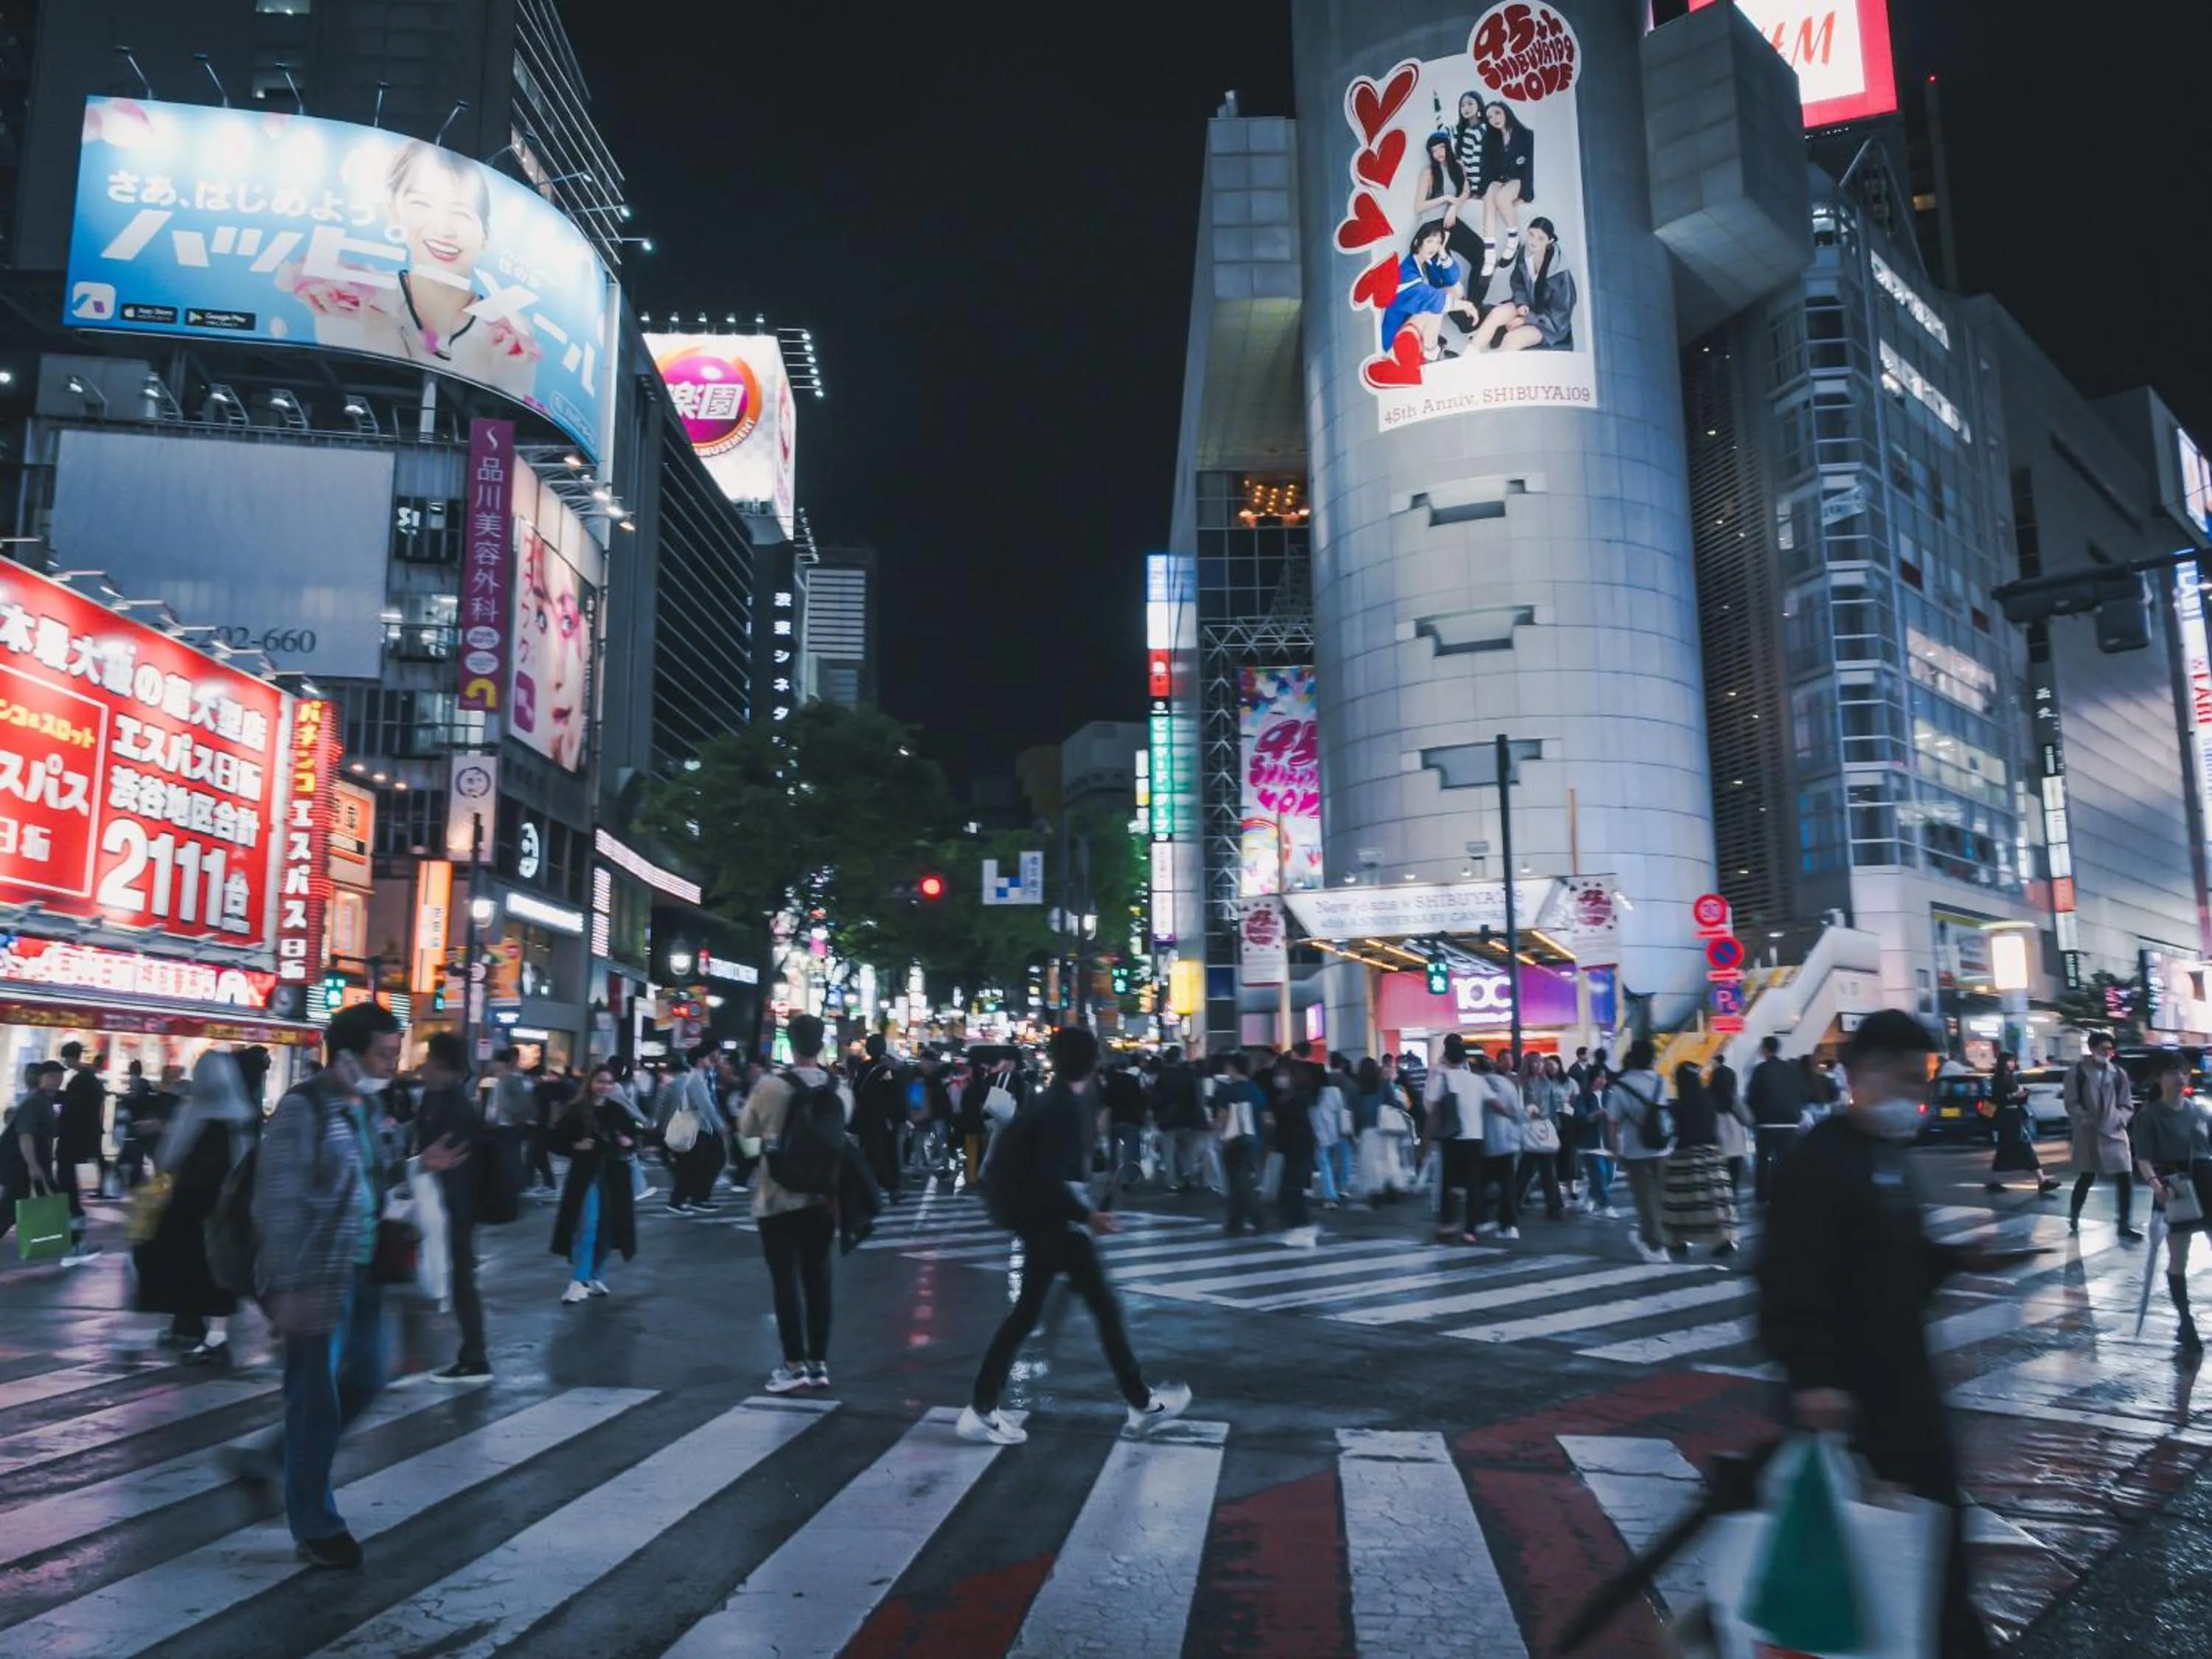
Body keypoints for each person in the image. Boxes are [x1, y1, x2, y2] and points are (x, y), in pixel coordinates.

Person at [1757, 1009, 2000, 1658]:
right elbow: (1785, 1280)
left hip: (1903, 1389)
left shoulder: (1883, 1156)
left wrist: (1955, 1258)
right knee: (1888, 1561)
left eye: (1922, 1083)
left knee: (1928, 1548)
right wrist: (1813, 1376)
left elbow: (1898, 1268)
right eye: (1906, 1080)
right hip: (1855, 1403)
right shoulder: (1819, 1163)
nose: (1917, 1099)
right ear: (1860, 1075)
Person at [251, 1001, 445, 1571]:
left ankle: (279, 1461)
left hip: (365, 1269)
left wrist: (417, 1162)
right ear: (346, 1054)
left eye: (395, 1053)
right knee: (314, 1400)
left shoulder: (368, 1106)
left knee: (365, 1376)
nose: (393, 1064)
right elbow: (278, 1201)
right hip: (317, 1274)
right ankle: (315, 1524)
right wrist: (288, 1286)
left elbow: (372, 1176)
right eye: (384, 1054)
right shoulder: (302, 1108)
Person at [957, 1026, 1192, 1446]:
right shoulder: (1064, 1106)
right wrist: (1088, 1215)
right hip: (1057, 1226)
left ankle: (983, 1406)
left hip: (1043, 1224)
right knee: (1098, 1310)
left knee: (1035, 1314)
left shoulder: (1054, 1101)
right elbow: (1050, 1176)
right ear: (1094, 1060)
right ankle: (1140, 1404)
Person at [736, 1014, 849, 1394]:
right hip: (823, 1198)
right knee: (819, 1281)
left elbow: (746, 1131)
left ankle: (793, 1363)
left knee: (785, 1281)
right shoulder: (841, 1088)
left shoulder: (770, 1087)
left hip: (777, 1197)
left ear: (792, 1042)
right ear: (823, 1044)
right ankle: (819, 1364)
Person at [136, 1051, 255, 1363]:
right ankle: (217, 1335)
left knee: (184, 1262)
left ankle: (188, 1322)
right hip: (227, 1207)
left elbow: (167, 1158)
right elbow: (247, 1162)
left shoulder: (193, 1112)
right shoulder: (242, 1116)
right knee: (220, 1271)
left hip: (189, 1204)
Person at [412, 1034, 490, 1380]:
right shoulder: (439, 1098)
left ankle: (474, 1356)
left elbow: (448, 1157)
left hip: (449, 1204)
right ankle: (469, 1354)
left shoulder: (452, 1104)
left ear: (441, 1064)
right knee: (453, 1277)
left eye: (428, 1058)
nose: (422, 1066)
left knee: (459, 1278)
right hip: (442, 1201)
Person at [2133, 1053, 2212, 1357]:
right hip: (2175, 1187)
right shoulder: (2149, 1116)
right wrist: (2156, 1185)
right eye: (2171, 1073)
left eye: (2182, 1072)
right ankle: (2186, 1321)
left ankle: (2186, 1322)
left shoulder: (2201, 1112)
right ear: (2159, 1079)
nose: (2179, 1078)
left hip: (2207, 1183)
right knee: (2179, 1255)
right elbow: (2142, 1159)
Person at [549, 1065, 639, 1304]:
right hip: (586, 1174)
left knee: (607, 1227)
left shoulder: (617, 1109)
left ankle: (595, 1274)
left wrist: (628, 1141)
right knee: (588, 1224)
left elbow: (636, 1133)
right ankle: (580, 1279)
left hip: (613, 1175)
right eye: (600, 1081)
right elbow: (554, 1139)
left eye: (609, 1083)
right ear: (590, 1082)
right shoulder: (576, 1111)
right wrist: (574, 1147)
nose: (605, 1087)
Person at [2065, 1033, 2140, 1240]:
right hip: (2088, 1133)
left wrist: (2121, 1118)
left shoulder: (2118, 1073)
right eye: (2102, 1049)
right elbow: (2071, 1102)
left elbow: (2127, 1104)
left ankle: (2124, 1224)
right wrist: (2083, 1117)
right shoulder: (2077, 1072)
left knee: (2125, 1177)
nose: (2107, 1053)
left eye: (2109, 1049)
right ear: (2091, 1049)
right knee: (2087, 1177)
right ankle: (2074, 1215)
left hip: (2114, 1132)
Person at [1464, 217, 1576, 353]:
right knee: (1496, 314)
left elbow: (1560, 316)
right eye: (1531, 235)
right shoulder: (1525, 252)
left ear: (1550, 241)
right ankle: (1468, 356)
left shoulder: (1561, 275)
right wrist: (1522, 303)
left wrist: (1526, 320)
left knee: (1512, 339)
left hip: (1548, 325)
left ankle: (1498, 372)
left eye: (1541, 238)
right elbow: (1518, 282)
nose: (1534, 242)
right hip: (1527, 307)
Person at [1662, 1060, 1738, 1259]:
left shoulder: (1678, 1105)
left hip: (1684, 1156)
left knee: (1680, 1201)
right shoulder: (1707, 1099)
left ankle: (1678, 1240)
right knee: (1716, 1201)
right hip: (1711, 1154)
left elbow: (1674, 1130)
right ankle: (1726, 1238)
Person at [1607, 1040, 1673, 1265]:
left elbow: (1613, 1121)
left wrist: (1614, 1149)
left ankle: (1656, 1245)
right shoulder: (1660, 1082)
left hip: (1636, 1150)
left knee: (1645, 1199)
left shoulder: (1621, 1086)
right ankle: (1658, 1237)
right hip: (1662, 1147)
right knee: (1661, 1197)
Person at [1380, 221, 1481, 364]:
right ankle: (1430, 354)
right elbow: (1428, 298)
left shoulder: (1428, 262)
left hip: (1414, 324)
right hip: (1397, 339)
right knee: (1434, 307)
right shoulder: (1406, 272)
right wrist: (1465, 305)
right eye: (1430, 241)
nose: (1434, 246)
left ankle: (1429, 346)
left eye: (1438, 242)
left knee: (1456, 289)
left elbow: (1453, 278)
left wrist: (1443, 252)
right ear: (1417, 243)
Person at [1424, 1035, 1488, 1242]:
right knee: (1474, 1183)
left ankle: (1449, 1224)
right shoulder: (1476, 1078)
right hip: (1475, 1135)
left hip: (1452, 1136)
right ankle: (1471, 1230)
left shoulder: (1440, 1076)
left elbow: (1430, 1106)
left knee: (1449, 1182)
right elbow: (1494, 1102)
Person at [0, 1058, 66, 1246]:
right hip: (19, 1165)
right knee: (10, 1210)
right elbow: (25, 1136)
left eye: (59, 1076)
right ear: (40, 1078)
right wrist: (33, 1166)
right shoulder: (35, 1102)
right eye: (51, 1076)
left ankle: (70, 1244)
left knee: (12, 1209)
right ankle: (71, 1246)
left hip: (29, 1165)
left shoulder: (45, 1101)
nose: (56, 1080)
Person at [666, 1043, 729, 1215]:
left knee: (704, 1163)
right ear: (701, 1060)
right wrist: (720, 1126)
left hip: (704, 1128)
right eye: (710, 1057)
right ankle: (681, 1200)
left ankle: (698, 1198)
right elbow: (706, 1106)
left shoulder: (706, 1076)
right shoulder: (696, 1078)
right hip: (697, 1128)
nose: (714, 1060)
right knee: (695, 1164)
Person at [1986, 1050, 2059, 1196]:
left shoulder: (2011, 1078)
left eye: (2013, 1061)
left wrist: (2023, 1095)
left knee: (2006, 1150)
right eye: (2010, 1061)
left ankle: (1994, 1181)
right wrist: (2014, 1095)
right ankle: (2042, 1181)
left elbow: (2015, 1099)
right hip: (2007, 1118)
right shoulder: (1998, 1079)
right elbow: (1997, 1098)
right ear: (2003, 1063)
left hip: (2014, 1116)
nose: (2012, 1064)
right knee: (2025, 1147)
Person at [1745, 1035, 1808, 1203]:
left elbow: (1752, 1096)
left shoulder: (1761, 1070)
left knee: (1763, 1161)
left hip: (1766, 1123)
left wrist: (1755, 1116)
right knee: (1787, 1161)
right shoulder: (1791, 1069)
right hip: (1789, 1123)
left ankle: (1762, 1196)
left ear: (1765, 1049)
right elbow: (1801, 1092)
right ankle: (1789, 1193)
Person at [1267, 1053, 1320, 1247]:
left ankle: (1302, 1228)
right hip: (1294, 1150)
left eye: (1283, 1075)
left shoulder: (1295, 1101)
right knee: (1290, 1191)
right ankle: (1298, 1227)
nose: (1279, 1079)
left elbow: (1296, 1128)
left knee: (1291, 1190)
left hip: (1297, 1149)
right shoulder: (1293, 1099)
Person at [1474, 1050, 1525, 1238]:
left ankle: (1496, 1221)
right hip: (1507, 1140)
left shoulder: (1488, 1082)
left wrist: (1508, 1113)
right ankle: (1500, 1222)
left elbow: (1494, 1103)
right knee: (1502, 1183)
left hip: (1493, 1140)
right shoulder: (1509, 1083)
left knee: (1487, 1182)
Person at [1213, 1052, 1265, 1235]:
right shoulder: (1255, 1090)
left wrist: (1218, 1132)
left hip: (1233, 1142)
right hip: (1253, 1141)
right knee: (1247, 1180)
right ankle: (1252, 1218)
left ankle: (1239, 1221)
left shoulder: (1227, 1090)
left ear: (1233, 1068)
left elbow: (1222, 1117)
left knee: (1235, 1183)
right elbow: (1266, 1117)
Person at [1478, 99, 1534, 260]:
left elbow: (1530, 167)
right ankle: (1489, 251)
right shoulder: (1490, 139)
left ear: (1506, 112)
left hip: (1519, 180)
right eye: (1489, 117)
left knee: (1502, 198)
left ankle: (1513, 239)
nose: (1494, 119)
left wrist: (1525, 195)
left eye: (1497, 113)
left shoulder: (1526, 135)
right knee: (1490, 194)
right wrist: (1482, 190)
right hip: (1502, 180)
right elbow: (1486, 167)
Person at [58, 1040, 107, 1220]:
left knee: (65, 1170)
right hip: (84, 1131)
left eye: (66, 1058)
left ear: (72, 1057)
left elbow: (74, 1108)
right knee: (67, 1170)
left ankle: (71, 1207)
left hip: (74, 1133)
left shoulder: (81, 1079)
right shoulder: (89, 1078)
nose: (65, 1062)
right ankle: (72, 1206)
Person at [851, 1034, 904, 1200]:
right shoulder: (886, 1069)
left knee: (871, 1154)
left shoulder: (863, 1068)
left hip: (867, 1119)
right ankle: (893, 1188)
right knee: (889, 1153)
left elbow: (857, 1092)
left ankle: (871, 1188)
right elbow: (894, 1091)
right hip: (884, 1119)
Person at [1517, 1051, 1567, 1221]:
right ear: (1529, 1064)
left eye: (1540, 1062)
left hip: (1544, 1127)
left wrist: (1555, 1125)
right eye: (1535, 1062)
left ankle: (1554, 1206)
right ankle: (1515, 1202)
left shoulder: (1547, 1083)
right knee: (1526, 1170)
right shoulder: (1523, 1083)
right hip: (1530, 1127)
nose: (1538, 1065)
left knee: (1545, 1170)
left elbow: (1552, 1106)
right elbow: (1520, 1105)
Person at [1573, 1046, 1618, 1217]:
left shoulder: (1609, 1095)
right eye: (1599, 1077)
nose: (1602, 1080)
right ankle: (1606, 1206)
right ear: (1592, 1078)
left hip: (1606, 1140)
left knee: (1608, 1176)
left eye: (1604, 1078)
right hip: (1590, 1142)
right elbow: (1581, 1118)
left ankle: (1591, 1198)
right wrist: (1597, 1114)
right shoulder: (1583, 1097)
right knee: (1599, 1174)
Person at [1708, 1052, 1752, 1200]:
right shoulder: (1735, 1100)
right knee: (1734, 1177)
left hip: (1717, 1144)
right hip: (1736, 1143)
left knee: (1718, 1177)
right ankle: (1733, 1202)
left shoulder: (1708, 1099)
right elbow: (1748, 1119)